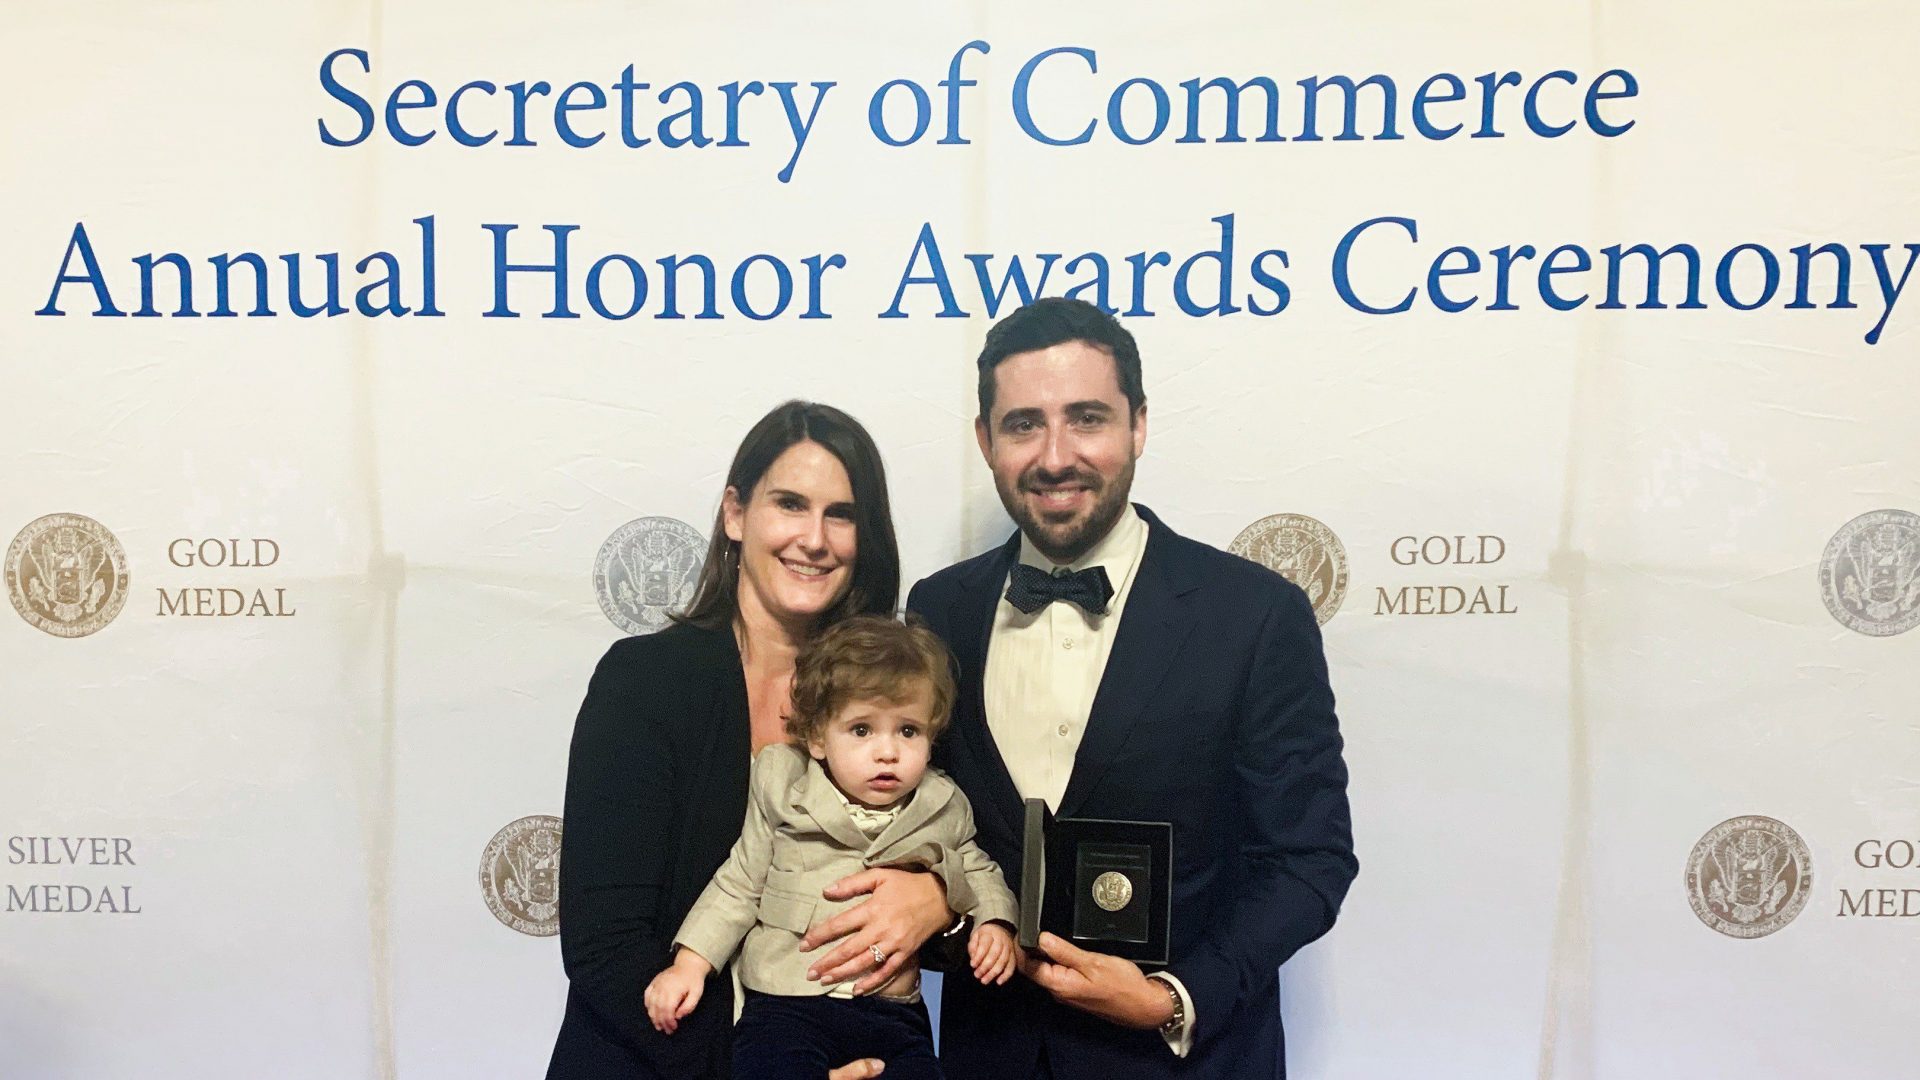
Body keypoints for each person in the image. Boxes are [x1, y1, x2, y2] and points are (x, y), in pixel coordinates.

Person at [905, 298, 1359, 1080]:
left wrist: (1174, 997)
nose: (1055, 456)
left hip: (1185, 1061)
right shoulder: (940, 610)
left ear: (1138, 425)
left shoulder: (1253, 615)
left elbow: (1308, 859)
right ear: (985, 440)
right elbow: (925, 822)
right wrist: (932, 908)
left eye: (1087, 418)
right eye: (1022, 424)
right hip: (993, 1058)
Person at [547, 401, 960, 1080]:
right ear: (736, 514)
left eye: (842, 514)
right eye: (790, 504)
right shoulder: (644, 683)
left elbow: (951, 874)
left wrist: (938, 903)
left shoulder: (897, 694)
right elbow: (605, 946)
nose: (815, 538)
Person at [644, 616, 1021, 1079]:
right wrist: (690, 965)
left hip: (893, 1009)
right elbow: (740, 881)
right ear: (819, 737)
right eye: (862, 730)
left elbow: (979, 870)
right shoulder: (784, 783)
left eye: (908, 731)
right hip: (788, 1002)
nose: (888, 752)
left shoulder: (942, 802)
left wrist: (996, 923)